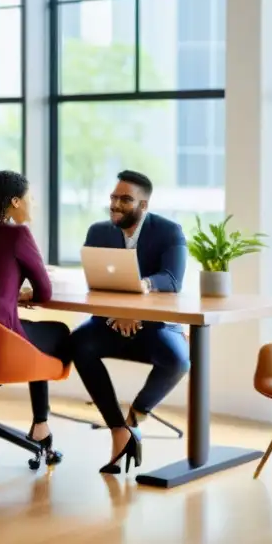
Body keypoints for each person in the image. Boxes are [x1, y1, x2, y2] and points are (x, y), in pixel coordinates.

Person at [70, 170, 190, 474]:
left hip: (154, 326)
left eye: (125, 199)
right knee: (78, 343)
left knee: (178, 360)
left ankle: (135, 417)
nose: (116, 204)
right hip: (110, 324)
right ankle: (117, 430)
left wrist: (140, 293)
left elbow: (172, 279)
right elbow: (96, 284)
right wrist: (116, 314)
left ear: (143, 205)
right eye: (114, 197)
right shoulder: (98, 232)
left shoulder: (169, 231)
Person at [0, 171, 69, 464]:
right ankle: (41, 425)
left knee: (35, 335)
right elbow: (44, 291)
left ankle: (34, 420)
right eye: (30, 198)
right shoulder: (17, 234)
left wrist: (12, 294)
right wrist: (28, 294)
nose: (33, 204)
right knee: (57, 333)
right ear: (15, 201)